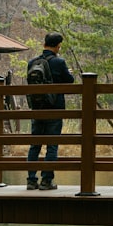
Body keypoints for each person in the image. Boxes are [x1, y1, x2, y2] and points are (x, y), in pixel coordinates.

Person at [26, 32, 75, 190]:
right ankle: (46, 181)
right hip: (54, 108)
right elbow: (70, 81)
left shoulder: (32, 62)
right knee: (52, 145)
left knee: (35, 145)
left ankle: (31, 180)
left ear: (44, 43)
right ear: (58, 45)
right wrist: (70, 74)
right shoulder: (59, 62)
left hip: (37, 108)